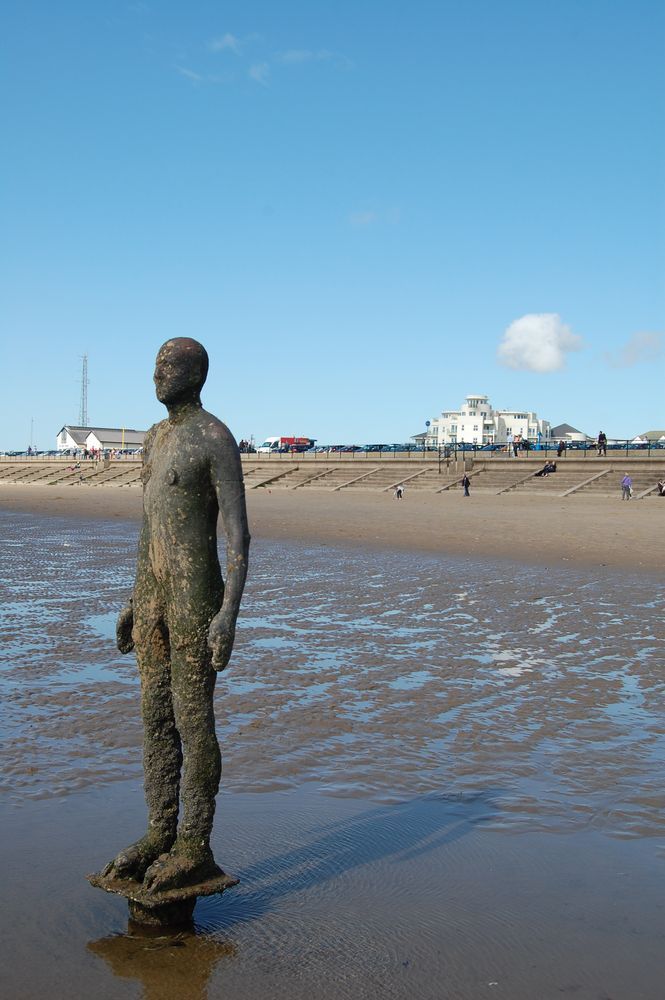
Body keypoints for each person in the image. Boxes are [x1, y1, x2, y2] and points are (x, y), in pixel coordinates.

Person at [103, 338, 250, 894]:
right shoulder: (154, 439)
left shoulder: (215, 438)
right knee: (155, 721)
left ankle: (194, 844)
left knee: (193, 722)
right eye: (156, 366)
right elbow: (150, 530)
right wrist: (134, 599)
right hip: (155, 599)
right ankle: (159, 832)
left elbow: (237, 535)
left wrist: (228, 614)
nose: (158, 375)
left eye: (169, 367)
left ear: (196, 375)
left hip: (195, 602)